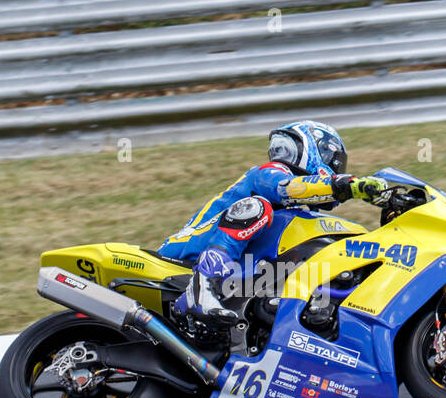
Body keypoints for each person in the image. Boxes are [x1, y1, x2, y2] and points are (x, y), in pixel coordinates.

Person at [158, 120, 387, 330]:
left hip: (234, 271)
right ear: (316, 150)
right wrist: (346, 184)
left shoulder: (295, 211)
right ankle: (202, 288)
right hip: (183, 257)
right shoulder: (270, 173)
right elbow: (288, 187)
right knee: (258, 208)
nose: (336, 169)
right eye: (335, 162)